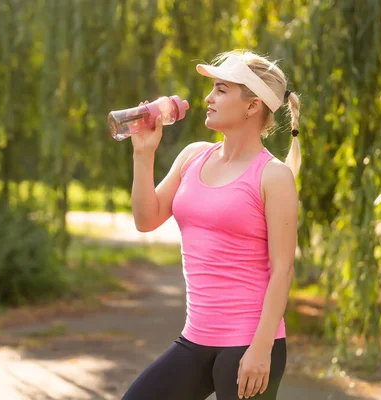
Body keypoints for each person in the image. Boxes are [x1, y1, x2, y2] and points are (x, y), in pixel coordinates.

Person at [124, 49, 301, 400]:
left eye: (221, 89)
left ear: (252, 106)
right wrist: (143, 155)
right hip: (195, 340)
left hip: (250, 345)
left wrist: (261, 350)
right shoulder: (193, 156)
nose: (208, 98)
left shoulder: (273, 176)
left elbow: (283, 270)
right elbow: (146, 219)